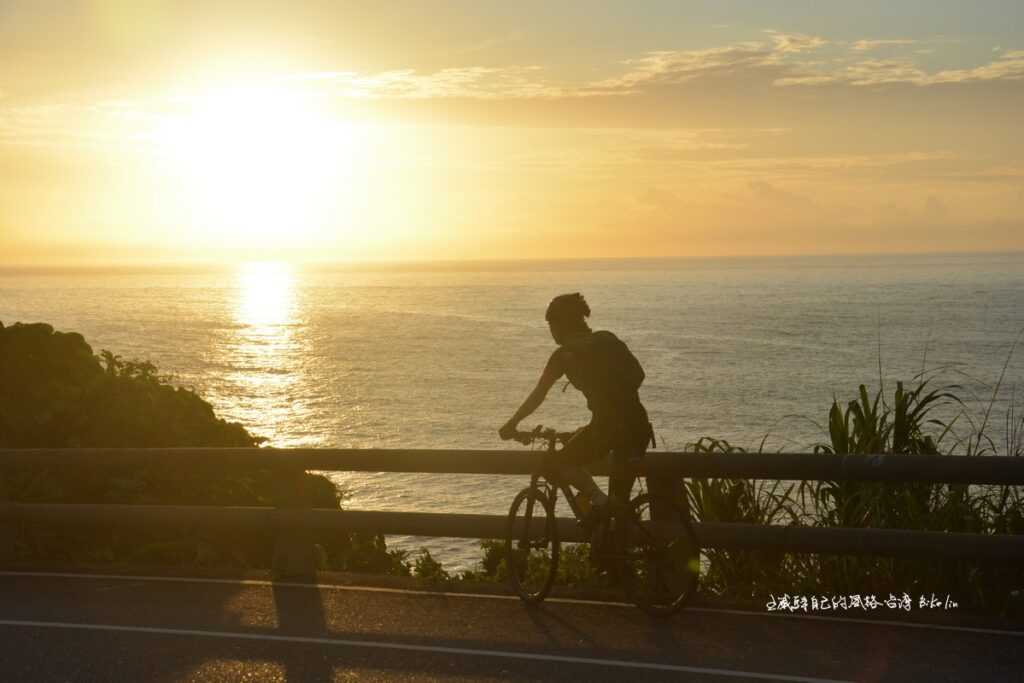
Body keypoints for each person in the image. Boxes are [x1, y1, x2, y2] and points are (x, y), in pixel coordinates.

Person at [498, 292, 653, 521]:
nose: (551, 331)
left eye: (552, 325)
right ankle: (619, 545)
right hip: (636, 427)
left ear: (561, 324)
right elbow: (638, 375)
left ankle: (600, 503)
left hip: (606, 428)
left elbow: (539, 394)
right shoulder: (608, 339)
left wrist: (513, 423)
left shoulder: (564, 356)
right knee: (619, 507)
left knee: (556, 464)